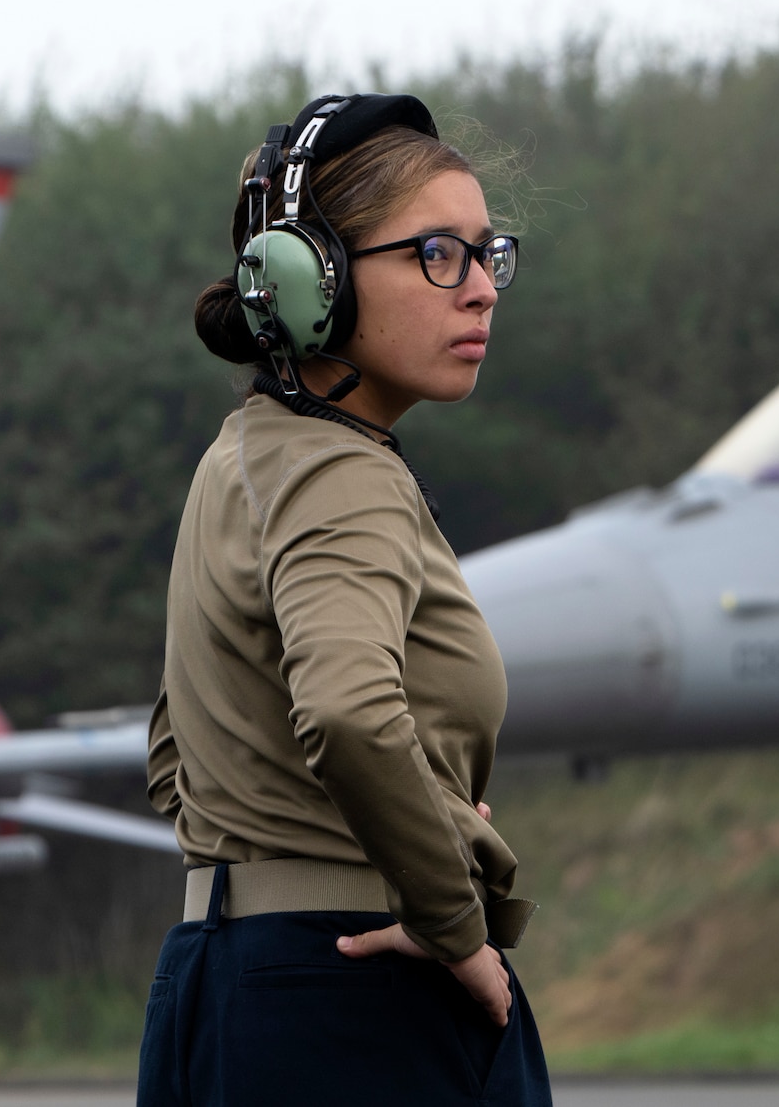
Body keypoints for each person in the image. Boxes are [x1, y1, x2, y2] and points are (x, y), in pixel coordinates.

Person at [137, 93, 549, 1106]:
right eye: (436, 255)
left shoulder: (241, 457)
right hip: (359, 1000)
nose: (480, 291)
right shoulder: (341, 473)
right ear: (309, 280)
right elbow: (351, 714)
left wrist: (417, 807)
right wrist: (454, 921)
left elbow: (172, 757)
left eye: (486, 254)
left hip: (219, 985)